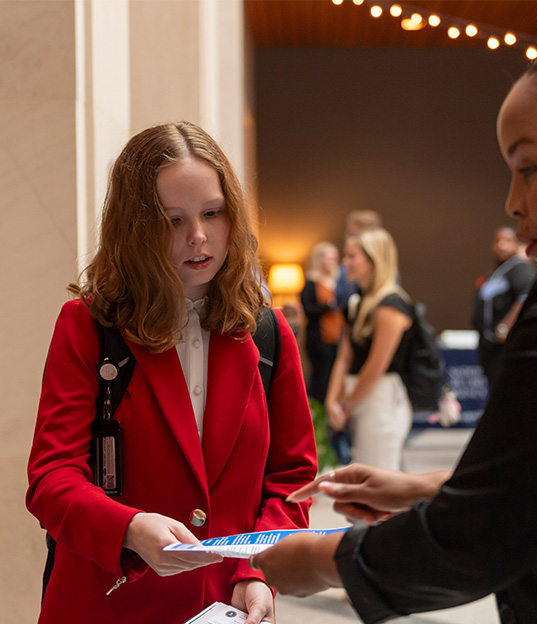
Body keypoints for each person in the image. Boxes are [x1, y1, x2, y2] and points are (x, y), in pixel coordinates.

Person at [249, 1, 537, 622]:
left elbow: (489, 532)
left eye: (528, 167)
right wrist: (429, 491)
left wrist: (325, 559)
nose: (514, 202)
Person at [26, 121, 318, 624]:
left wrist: (257, 571)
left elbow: (291, 479)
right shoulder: (88, 327)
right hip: (106, 602)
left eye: (212, 213)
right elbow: (51, 478)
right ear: (135, 228)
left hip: (222, 604)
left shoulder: (268, 332)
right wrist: (130, 528)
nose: (198, 237)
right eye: (172, 219)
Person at [325, 228, 414, 471]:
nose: (345, 264)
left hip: (381, 397)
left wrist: (346, 404)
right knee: (359, 474)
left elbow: (377, 366)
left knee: (378, 478)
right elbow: (344, 357)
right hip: (358, 394)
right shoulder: (356, 303)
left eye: (352, 256)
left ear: (374, 259)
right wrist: (332, 400)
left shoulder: (392, 304)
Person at [471, 226, 537, 388]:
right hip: (489, 349)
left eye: (507, 241)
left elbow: (526, 296)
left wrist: (505, 326)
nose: (501, 245)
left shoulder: (520, 268)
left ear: (516, 244)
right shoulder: (495, 273)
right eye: (498, 241)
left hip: (506, 349)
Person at [300, 241, 345, 404]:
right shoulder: (311, 283)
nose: (333, 261)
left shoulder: (340, 282)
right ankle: (318, 418)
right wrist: (328, 306)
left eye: (335, 257)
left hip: (337, 339)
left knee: (335, 380)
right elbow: (307, 309)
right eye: (328, 257)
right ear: (319, 259)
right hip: (318, 340)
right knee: (321, 380)